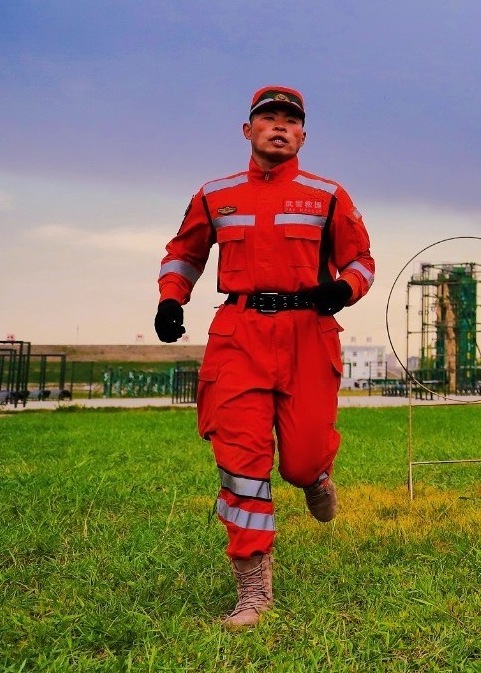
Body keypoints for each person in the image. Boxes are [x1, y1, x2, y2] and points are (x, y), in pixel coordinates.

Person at [154, 86, 374, 628]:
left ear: (303, 135)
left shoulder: (328, 195)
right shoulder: (215, 194)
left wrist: (344, 289)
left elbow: (361, 261)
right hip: (239, 336)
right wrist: (170, 298)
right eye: (268, 117)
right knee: (241, 464)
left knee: (300, 459)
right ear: (247, 130)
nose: (279, 126)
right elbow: (184, 253)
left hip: (309, 334)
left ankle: (315, 475)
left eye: (290, 120)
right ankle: (253, 589)